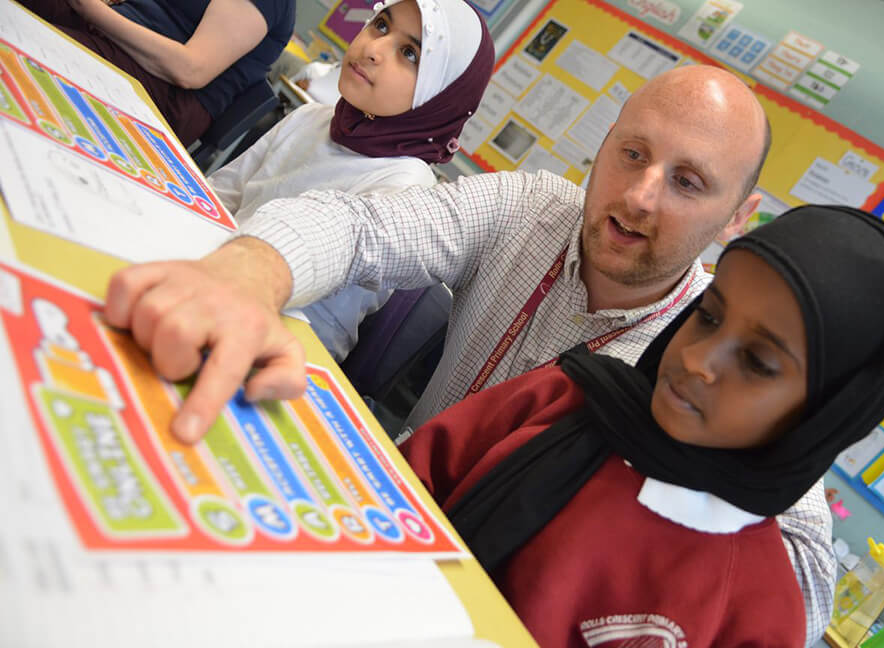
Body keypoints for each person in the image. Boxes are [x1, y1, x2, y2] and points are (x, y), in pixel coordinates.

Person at [103, 65, 834, 642]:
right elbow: (363, 227)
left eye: (688, 182)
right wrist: (248, 274)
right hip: (378, 512)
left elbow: (806, 584)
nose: (640, 196)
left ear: (737, 217)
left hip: (498, 609)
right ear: (604, 144)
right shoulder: (530, 209)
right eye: (632, 153)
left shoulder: (712, 351)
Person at [402, 205, 884, 647]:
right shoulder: (563, 398)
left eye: (757, 362)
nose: (699, 360)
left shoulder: (760, 607)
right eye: (707, 315)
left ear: (826, 415)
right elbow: (399, 489)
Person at [206, 0, 493, 361]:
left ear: (441, 97)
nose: (373, 50)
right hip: (209, 269)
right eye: (381, 26)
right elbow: (217, 196)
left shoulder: (406, 184)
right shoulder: (312, 118)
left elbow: (321, 322)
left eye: (410, 54)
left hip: (276, 342)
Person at [19, 0, 296, 144]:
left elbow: (190, 69)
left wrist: (90, 10)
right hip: (126, 41)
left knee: (23, 44)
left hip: (164, 91)